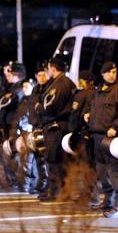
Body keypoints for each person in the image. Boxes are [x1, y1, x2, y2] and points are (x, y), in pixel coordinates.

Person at [84, 61, 118, 218]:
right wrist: (86, 114)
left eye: (114, 71)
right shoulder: (100, 89)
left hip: (112, 138)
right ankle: (108, 202)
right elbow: (92, 107)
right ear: (103, 74)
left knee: (116, 173)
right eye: (109, 72)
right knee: (102, 171)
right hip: (97, 137)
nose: (112, 74)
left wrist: (116, 126)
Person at [36, 56, 74, 202]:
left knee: (53, 160)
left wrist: (38, 107)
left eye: (49, 68)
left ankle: (55, 192)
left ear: (53, 67)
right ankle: (63, 192)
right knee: (62, 161)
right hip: (62, 127)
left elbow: (50, 106)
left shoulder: (59, 84)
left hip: (56, 127)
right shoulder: (67, 82)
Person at [68, 69, 100, 207]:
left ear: (82, 81)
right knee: (92, 166)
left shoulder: (81, 95)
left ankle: (90, 195)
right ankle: (90, 194)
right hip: (95, 135)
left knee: (86, 166)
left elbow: (75, 116)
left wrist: (72, 131)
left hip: (83, 135)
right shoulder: (97, 93)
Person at [0, 62, 25, 189]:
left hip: (12, 125)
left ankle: (14, 179)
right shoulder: (11, 88)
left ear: (17, 75)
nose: (8, 75)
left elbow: (9, 105)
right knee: (7, 152)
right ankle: (10, 177)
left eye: (11, 73)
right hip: (6, 124)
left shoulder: (19, 89)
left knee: (11, 152)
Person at [26, 64, 50, 195]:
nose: (42, 77)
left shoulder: (49, 88)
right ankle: (40, 183)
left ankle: (46, 185)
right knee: (38, 159)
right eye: (39, 75)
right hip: (35, 126)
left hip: (44, 127)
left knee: (46, 158)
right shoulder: (35, 89)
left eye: (44, 74)